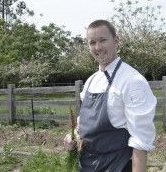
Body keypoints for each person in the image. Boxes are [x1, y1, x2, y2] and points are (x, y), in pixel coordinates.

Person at [64, 19, 156, 172]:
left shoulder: (132, 81)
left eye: (102, 40)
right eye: (92, 42)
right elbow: (83, 126)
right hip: (87, 165)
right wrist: (73, 137)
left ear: (116, 40)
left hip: (117, 166)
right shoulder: (91, 81)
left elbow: (141, 141)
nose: (98, 47)